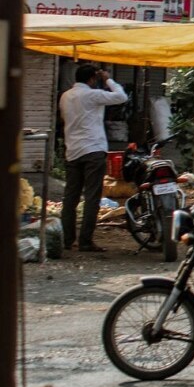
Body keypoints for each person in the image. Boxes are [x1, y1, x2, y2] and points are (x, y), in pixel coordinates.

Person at [59, 64, 128, 253]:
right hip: (93, 150)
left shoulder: (65, 96)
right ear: (92, 79)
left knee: (70, 198)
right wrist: (107, 79)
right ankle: (85, 241)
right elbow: (121, 96)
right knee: (91, 197)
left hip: (72, 151)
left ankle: (67, 240)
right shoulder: (92, 94)